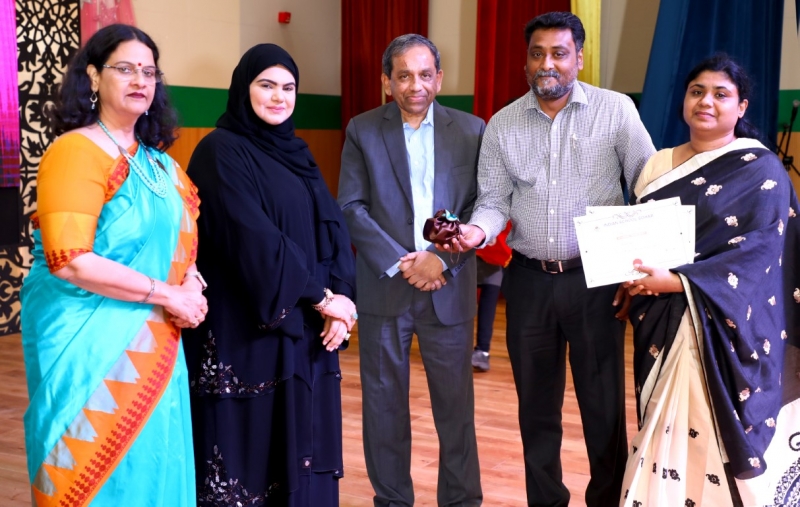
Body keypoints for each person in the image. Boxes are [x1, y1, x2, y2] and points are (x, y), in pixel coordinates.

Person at [451, 11, 656, 507]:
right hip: (528, 283)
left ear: (579, 58)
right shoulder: (503, 124)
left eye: (559, 53)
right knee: (536, 411)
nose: (547, 63)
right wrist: (475, 231)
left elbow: (647, 185)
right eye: (537, 53)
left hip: (596, 280)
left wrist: (640, 270)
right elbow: (494, 201)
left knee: (603, 407)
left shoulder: (616, 110)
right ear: (526, 61)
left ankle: (607, 500)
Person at [20, 24, 205, 506]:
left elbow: (182, 244)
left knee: (155, 459)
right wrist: (169, 294)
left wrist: (191, 285)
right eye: (125, 68)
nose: (140, 80)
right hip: (85, 342)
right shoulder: (74, 151)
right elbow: (70, 260)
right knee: (92, 473)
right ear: (93, 77)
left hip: (155, 343)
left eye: (149, 71)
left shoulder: (161, 165)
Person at [620, 54, 800, 507]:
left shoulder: (761, 170)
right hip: (660, 323)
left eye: (721, 94)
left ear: (741, 107)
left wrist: (678, 282)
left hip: (724, 328)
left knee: (712, 430)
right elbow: (638, 235)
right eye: (697, 91)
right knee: (660, 424)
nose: (706, 101)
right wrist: (630, 275)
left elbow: (760, 253)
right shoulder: (658, 165)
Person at [183, 44, 357, 506]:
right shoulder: (219, 151)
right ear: (244, 88)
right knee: (252, 462)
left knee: (303, 454)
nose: (279, 97)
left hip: (306, 328)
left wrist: (342, 303)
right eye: (266, 85)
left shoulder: (296, 152)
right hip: (247, 332)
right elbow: (253, 239)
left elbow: (332, 228)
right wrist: (323, 298)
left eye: (288, 87)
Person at [338, 34, 485, 506]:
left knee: (456, 410)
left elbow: (481, 207)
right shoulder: (362, 130)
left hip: (450, 286)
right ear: (387, 82)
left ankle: (461, 501)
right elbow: (352, 206)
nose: (414, 85)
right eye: (403, 76)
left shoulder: (472, 130)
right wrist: (401, 262)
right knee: (383, 408)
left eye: (424, 75)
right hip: (385, 288)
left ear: (439, 78)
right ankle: (392, 500)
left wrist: (441, 258)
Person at [471, 221, 511, 372]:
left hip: (495, 259)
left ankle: (482, 351)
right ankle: (458, 349)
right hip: (467, 258)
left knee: (488, 308)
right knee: (462, 307)